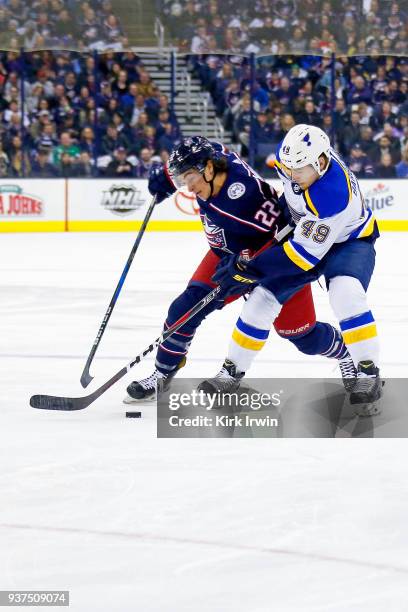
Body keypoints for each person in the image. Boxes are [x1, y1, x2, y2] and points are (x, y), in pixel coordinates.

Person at [124, 136, 356, 404]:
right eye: (183, 179)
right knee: (183, 311)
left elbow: (282, 235)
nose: (188, 187)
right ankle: (162, 374)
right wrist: (167, 174)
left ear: (209, 170)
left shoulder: (243, 201)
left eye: (190, 178)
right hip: (226, 256)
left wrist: (246, 265)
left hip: (272, 263)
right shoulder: (214, 161)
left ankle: (346, 352)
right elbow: (204, 145)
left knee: (301, 335)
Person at [201, 125, 381, 416]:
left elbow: (302, 257)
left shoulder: (332, 196)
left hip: (348, 242)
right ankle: (231, 372)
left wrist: (251, 267)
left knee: (345, 292)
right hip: (306, 234)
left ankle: (368, 372)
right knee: (261, 301)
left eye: (298, 170)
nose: (291, 174)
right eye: (288, 167)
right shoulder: (300, 162)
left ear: (321, 163)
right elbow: (290, 198)